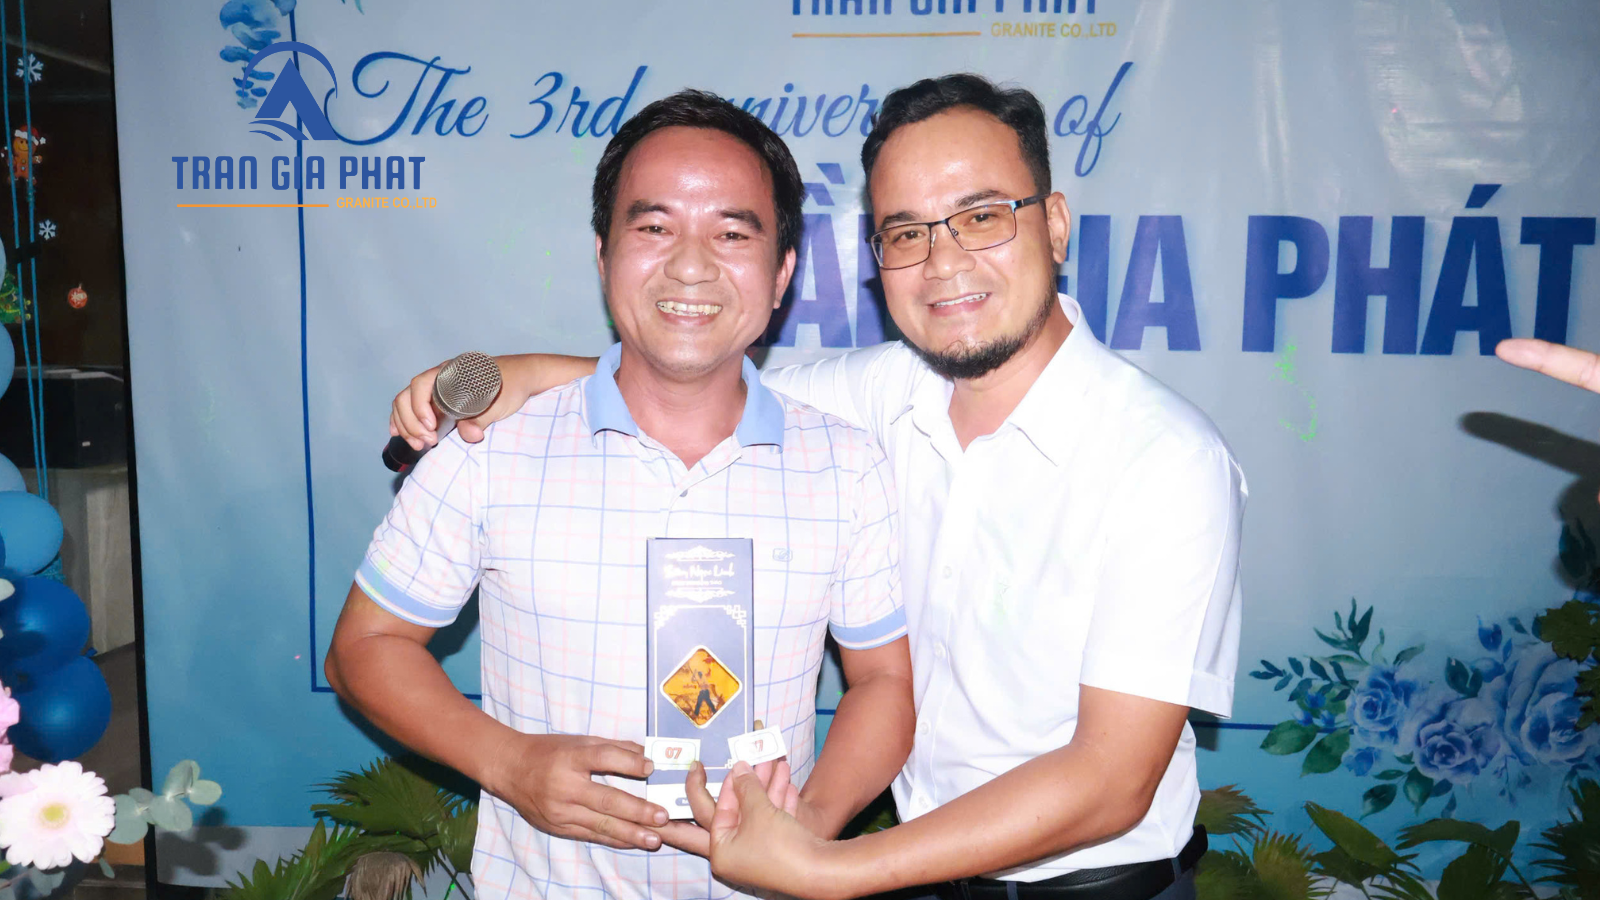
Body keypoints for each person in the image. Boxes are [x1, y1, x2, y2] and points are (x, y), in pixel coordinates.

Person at [390, 74, 1245, 900]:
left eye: (982, 217)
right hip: (919, 876)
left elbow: (1109, 780)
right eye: (907, 233)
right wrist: (515, 373)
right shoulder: (884, 393)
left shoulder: (1164, 459)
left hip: (1092, 886)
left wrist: (821, 865)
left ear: (1054, 225)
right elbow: (691, 371)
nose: (944, 261)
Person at [328, 89, 915, 900]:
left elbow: (883, 684)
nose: (690, 265)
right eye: (654, 227)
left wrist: (808, 827)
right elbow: (365, 647)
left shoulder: (845, 465)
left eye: (732, 232)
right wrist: (510, 762)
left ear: (782, 273)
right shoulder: (491, 446)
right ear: (603, 255)